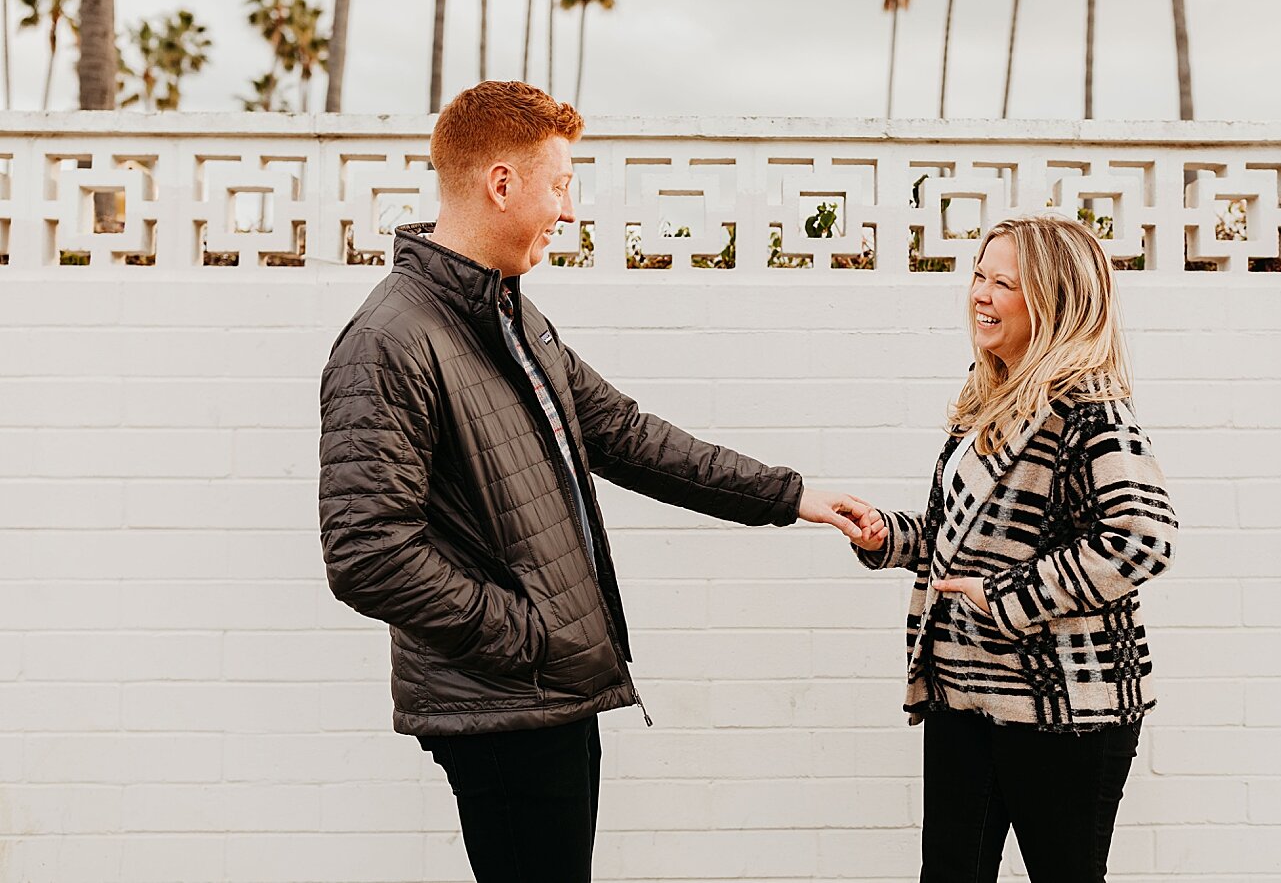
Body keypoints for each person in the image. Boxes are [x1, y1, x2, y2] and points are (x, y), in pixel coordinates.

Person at [317, 80, 871, 883]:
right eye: (560, 185)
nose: (567, 211)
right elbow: (368, 554)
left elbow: (627, 435)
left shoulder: (509, 317)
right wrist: (528, 633)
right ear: (501, 183)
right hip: (508, 699)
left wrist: (790, 497)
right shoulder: (391, 339)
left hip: (551, 690)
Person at [850, 215, 1177, 883]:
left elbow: (1141, 539)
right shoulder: (989, 401)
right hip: (963, 692)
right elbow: (966, 537)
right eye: (979, 275)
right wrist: (888, 535)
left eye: (1004, 283)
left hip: (1062, 707)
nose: (980, 294)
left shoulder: (1090, 411)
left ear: (1054, 302)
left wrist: (1008, 597)